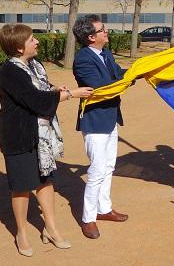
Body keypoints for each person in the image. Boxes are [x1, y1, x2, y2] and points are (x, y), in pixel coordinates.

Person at [0, 23, 93, 256]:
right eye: (31, 39)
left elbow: (42, 88)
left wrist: (53, 88)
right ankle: (21, 233)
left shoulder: (35, 65)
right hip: (19, 135)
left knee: (45, 180)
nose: (36, 41)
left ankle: (50, 229)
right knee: (21, 187)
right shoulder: (9, 71)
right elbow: (36, 100)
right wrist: (71, 94)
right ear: (19, 48)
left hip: (43, 137)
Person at [73, 14, 128, 240]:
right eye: (102, 29)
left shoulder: (105, 52)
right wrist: (127, 81)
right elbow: (101, 87)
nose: (106, 32)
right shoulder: (83, 59)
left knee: (108, 167)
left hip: (111, 117)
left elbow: (117, 73)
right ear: (90, 37)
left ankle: (104, 209)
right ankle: (88, 218)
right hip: (95, 121)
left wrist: (140, 70)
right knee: (96, 171)